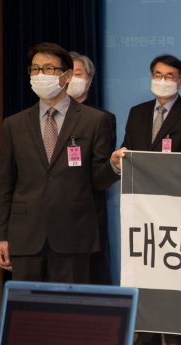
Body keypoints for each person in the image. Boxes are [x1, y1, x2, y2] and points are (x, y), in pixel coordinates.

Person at [0, 42, 116, 283]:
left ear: (67, 76)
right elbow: (5, 186)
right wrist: (1, 237)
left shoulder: (94, 121)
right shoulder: (14, 124)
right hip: (25, 236)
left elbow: (98, 181)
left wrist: (113, 166)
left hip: (73, 236)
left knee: (68, 306)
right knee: (27, 305)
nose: (40, 75)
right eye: (35, 69)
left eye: (48, 69)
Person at [111, 54, 181, 345]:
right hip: (140, 211)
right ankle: (146, 334)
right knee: (144, 277)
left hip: (174, 211)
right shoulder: (137, 112)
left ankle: (175, 338)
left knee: (174, 279)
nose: (162, 81)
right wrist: (118, 160)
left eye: (169, 76)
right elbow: (129, 151)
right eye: (157, 74)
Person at [68, 51, 117, 285]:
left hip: (87, 208)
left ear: (89, 80)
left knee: (89, 272)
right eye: (68, 73)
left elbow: (101, 171)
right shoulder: (45, 117)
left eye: (78, 74)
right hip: (50, 209)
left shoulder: (101, 119)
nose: (72, 79)